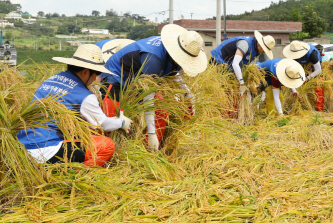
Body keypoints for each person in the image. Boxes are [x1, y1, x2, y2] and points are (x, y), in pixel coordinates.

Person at [17, 45, 132, 166]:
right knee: (106, 145)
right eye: (97, 74)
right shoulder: (85, 95)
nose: (97, 78)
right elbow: (103, 124)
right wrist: (122, 122)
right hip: (46, 151)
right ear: (85, 72)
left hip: (22, 146)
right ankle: (75, 175)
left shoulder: (50, 80)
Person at [103, 24, 207, 152]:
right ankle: (113, 152)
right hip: (116, 79)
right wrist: (151, 133)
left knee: (162, 105)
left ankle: (152, 150)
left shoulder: (175, 53)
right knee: (113, 119)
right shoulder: (153, 59)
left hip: (138, 80)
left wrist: (188, 93)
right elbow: (148, 98)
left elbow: (172, 74)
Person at [210, 31, 275, 96]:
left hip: (230, 67)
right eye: (264, 50)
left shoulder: (255, 50)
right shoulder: (245, 44)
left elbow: (244, 65)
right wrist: (242, 84)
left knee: (233, 92)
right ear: (259, 45)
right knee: (220, 90)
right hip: (218, 62)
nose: (263, 52)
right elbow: (235, 64)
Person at [283, 40, 324, 111]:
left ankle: (319, 110)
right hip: (301, 66)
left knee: (318, 86)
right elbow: (290, 76)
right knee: (300, 86)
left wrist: (307, 78)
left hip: (313, 66)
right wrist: (294, 90)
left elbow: (319, 70)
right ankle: (302, 108)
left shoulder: (312, 53)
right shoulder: (292, 57)